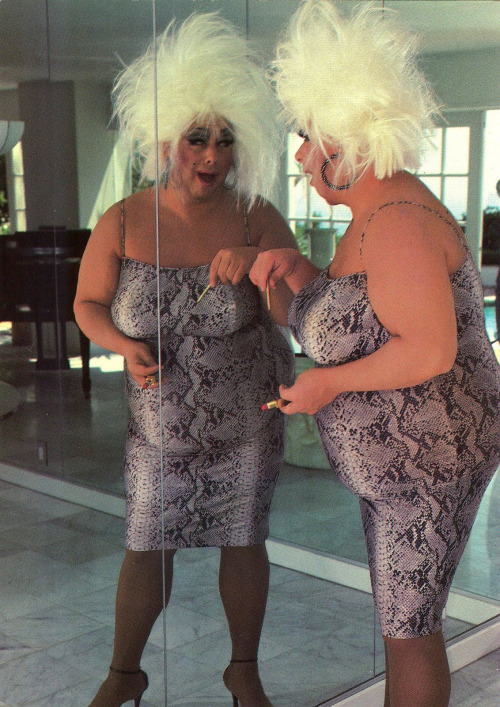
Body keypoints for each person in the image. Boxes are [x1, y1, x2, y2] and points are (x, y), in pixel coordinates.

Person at [249, 2, 500, 706]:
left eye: (308, 136)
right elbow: (358, 318)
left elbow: (430, 349)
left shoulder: (396, 222)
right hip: (404, 469)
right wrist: (293, 270)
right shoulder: (372, 216)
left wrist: (326, 386)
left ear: (349, 137)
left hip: (431, 464)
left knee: (410, 629)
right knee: (404, 622)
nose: (301, 156)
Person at [74, 13, 296, 707]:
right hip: (158, 425)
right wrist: (123, 345)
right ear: (165, 138)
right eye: (197, 138)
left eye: (226, 140)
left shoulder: (257, 215)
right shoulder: (122, 218)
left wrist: (261, 262)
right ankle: (125, 673)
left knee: (244, 538)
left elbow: (294, 310)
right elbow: (87, 304)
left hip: (248, 418)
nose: (212, 155)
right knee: (147, 542)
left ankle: (243, 670)